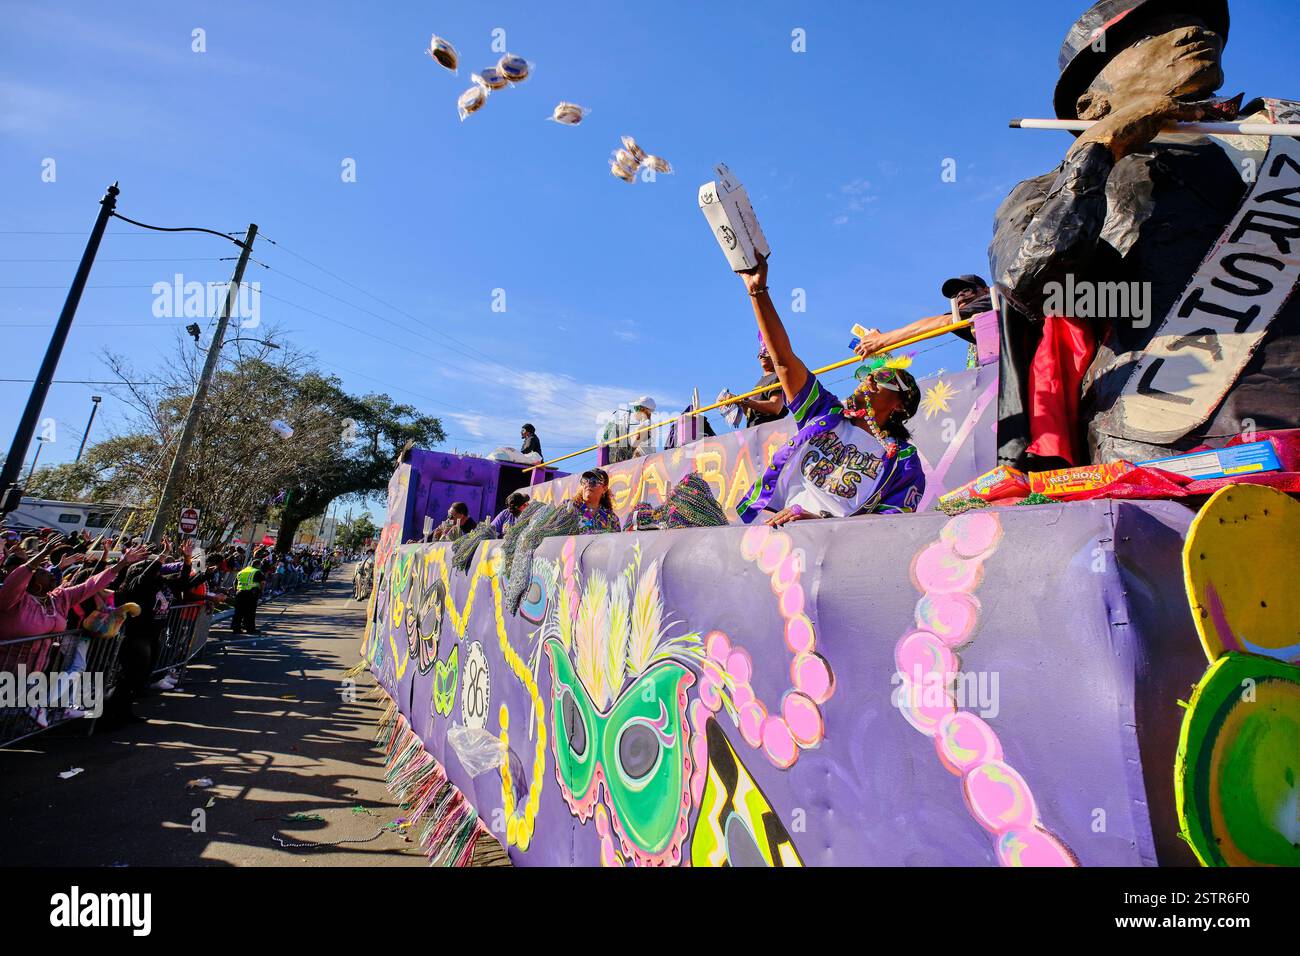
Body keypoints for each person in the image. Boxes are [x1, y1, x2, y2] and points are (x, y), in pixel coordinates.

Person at [991, 0, 1300, 468]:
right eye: (1149, 33)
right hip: (1169, 447)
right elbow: (1034, 281)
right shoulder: (1048, 189)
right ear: (1091, 102)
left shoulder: (1285, 142)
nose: (1191, 30)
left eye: (1189, 19)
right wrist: (1099, 149)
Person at [734, 255, 926, 527]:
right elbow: (784, 361)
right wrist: (757, 291)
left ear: (900, 405)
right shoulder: (824, 413)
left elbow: (888, 529)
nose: (868, 378)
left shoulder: (904, 462)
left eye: (883, 376)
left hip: (837, 556)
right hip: (781, 540)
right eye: (867, 373)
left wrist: (820, 522)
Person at [853, 275, 985, 370]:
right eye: (955, 295)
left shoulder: (992, 299)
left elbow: (944, 322)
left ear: (985, 290)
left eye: (967, 290)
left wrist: (882, 340)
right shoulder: (975, 338)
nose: (960, 296)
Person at [736, 337, 790, 428]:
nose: (761, 355)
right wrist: (739, 402)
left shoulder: (777, 377)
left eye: (766, 352)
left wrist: (745, 401)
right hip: (754, 433)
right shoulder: (760, 382)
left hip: (770, 434)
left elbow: (775, 407)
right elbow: (752, 415)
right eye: (760, 353)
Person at [565, 469, 620, 534]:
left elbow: (616, 542)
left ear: (604, 489)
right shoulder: (569, 507)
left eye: (594, 481)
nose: (588, 484)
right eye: (585, 481)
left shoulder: (611, 519)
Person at [231, 557, 265, 636]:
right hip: (251, 593)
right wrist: (261, 591)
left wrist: (236, 590)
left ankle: (236, 628)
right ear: (258, 565)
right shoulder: (257, 572)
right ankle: (250, 629)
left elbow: (234, 583)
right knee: (250, 612)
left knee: (238, 612)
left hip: (240, 593)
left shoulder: (242, 571)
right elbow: (263, 583)